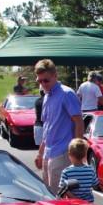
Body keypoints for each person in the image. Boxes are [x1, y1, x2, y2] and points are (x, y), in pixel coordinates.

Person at [34, 59, 84, 191]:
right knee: (48, 194)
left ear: (55, 76)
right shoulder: (46, 96)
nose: (43, 84)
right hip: (48, 153)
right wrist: (40, 154)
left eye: (46, 80)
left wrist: (77, 153)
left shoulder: (66, 94)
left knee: (59, 197)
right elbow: (47, 128)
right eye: (39, 81)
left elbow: (78, 122)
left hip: (62, 153)